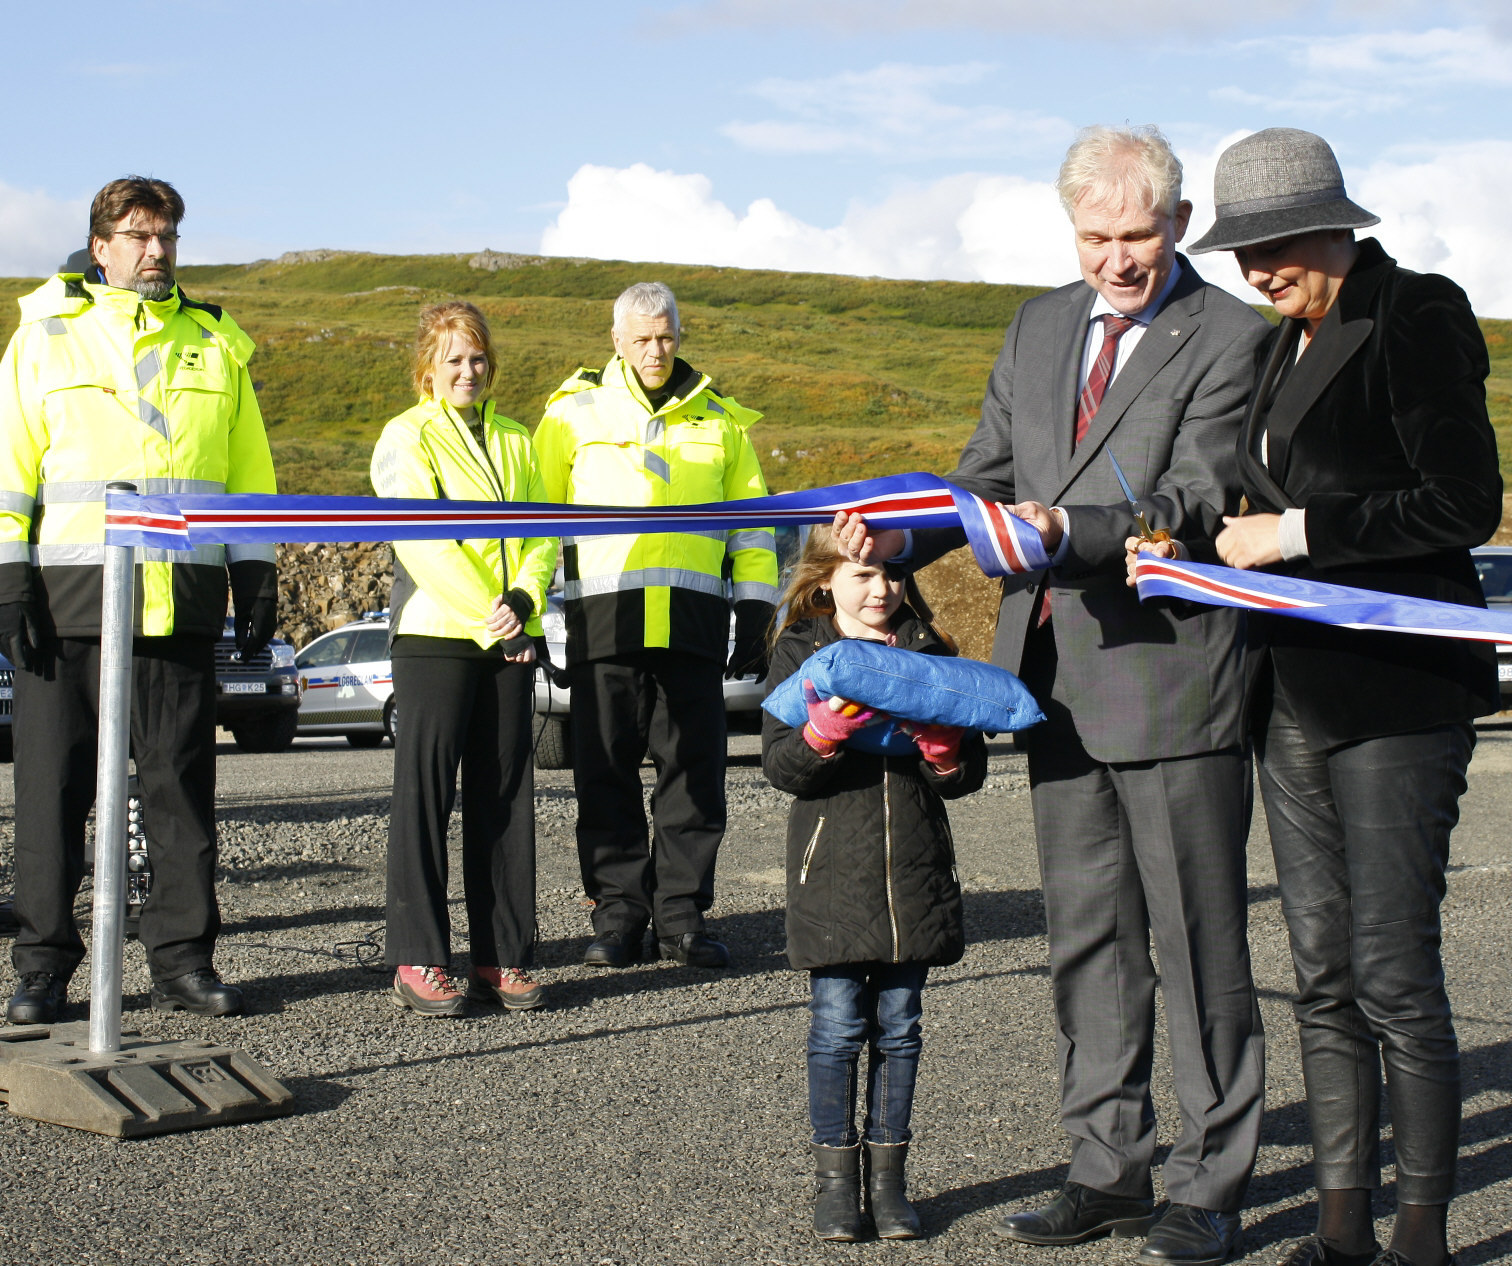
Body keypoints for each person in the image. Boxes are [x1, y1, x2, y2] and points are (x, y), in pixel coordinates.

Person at [835, 125, 1269, 1265]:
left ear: (1176, 226)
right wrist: (893, 535)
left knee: (1200, 944)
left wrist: (1069, 528)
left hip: (1176, 681)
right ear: (1069, 227)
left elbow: (1200, 494)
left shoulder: (1231, 335)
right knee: (1088, 943)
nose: (1116, 259)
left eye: (1137, 235)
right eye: (1095, 237)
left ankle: (1212, 1177)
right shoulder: (1035, 327)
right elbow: (981, 480)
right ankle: (1108, 1164)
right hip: (1056, 688)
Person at [1175, 127, 1499, 1266]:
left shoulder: (1415, 312)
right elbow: (1252, 510)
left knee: (1395, 969)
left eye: (1269, 245)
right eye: (1237, 252)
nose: (1254, 270)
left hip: (1400, 697)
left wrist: (1298, 534)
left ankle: (1420, 1232)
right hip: (1290, 697)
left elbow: (1461, 502)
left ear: (1335, 224)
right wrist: (1187, 544)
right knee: (1319, 975)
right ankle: (1342, 1225)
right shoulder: (1277, 348)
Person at [0, 176, 278, 1021]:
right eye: (139, 234)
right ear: (102, 246)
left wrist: (254, 570)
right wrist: (10, 580)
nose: (156, 250)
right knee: (51, 798)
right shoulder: (44, 339)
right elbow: (10, 469)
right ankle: (42, 969)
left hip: (177, 608)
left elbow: (246, 479)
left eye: (167, 236)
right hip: (68, 607)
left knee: (181, 796)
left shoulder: (217, 346)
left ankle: (184, 960)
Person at [534, 282, 778, 970]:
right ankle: (617, 916)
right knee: (604, 773)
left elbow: (754, 523)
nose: (654, 350)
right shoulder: (569, 416)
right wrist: (536, 615)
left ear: (680, 334)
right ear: (615, 340)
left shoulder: (722, 421)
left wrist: (756, 604)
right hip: (603, 623)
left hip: (694, 624)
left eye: (665, 337)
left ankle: (681, 916)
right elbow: (536, 523)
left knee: (694, 775)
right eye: (640, 339)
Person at [762, 530, 986, 1242]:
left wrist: (947, 755)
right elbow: (781, 767)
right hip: (833, 876)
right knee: (836, 1030)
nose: (881, 588)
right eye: (863, 573)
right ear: (826, 580)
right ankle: (836, 1186)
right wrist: (820, 732)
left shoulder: (928, 651)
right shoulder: (801, 653)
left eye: (891, 573)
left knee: (900, 1028)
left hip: (914, 873)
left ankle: (890, 1185)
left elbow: (967, 774)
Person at [370, 301, 556, 1016]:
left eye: (476, 358)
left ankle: (501, 954)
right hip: (436, 635)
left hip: (507, 631)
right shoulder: (404, 436)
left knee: (505, 793)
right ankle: (418, 956)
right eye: (452, 359)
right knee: (425, 792)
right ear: (427, 368)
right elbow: (423, 543)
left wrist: (523, 598)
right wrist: (496, 621)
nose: (467, 371)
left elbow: (543, 533)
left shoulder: (516, 438)